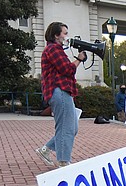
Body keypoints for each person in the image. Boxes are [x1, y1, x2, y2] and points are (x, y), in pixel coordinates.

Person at [35, 22, 87, 168]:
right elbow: (67, 69)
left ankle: (46, 150)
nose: (66, 37)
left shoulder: (53, 49)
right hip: (59, 91)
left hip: (61, 91)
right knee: (66, 127)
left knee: (71, 127)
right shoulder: (53, 49)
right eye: (64, 33)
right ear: (56, 35)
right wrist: (79, 59)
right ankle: (64, 162)